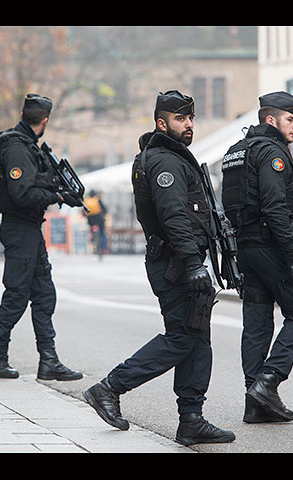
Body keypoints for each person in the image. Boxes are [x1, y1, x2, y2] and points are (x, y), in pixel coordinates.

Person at [82, 90, 235, 446]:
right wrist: (195, 264)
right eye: (182, 119)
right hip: (177, 263)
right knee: (182, 337)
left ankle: (192, 418)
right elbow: (173, 216)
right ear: (161, 122)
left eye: (191, 119)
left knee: (197, 337)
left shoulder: (172, 157)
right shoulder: (164, 162)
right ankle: (109, 388)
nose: (190, 126)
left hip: (181, 261)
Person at [221, 91, 293, 423]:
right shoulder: (272, 152)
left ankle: (254, 403)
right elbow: (276, 206)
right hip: (272, 245)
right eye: (290, 120)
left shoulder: (235, 151)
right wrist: (292, 253)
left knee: (257, 322)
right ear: (270, 120)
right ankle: (268, 381)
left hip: (246, 248)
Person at [0, 93, 82, 381]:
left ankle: (48, 361)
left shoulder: (26, 145)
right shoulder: (15, 146)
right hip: (18, 228)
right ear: (45, 120)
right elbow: (22, 193)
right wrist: (59, 195)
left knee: (44, 294)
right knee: (16, 294)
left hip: (29, 230)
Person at [84, 190, 109, 254]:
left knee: (91, 229)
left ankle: (92, 237)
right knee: (102, 233)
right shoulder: (97, 199)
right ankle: (104, 248)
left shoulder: (86, 201)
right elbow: (104, 209)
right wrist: (104, 214)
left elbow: (83, 211)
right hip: (99, 219)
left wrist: (86, 216)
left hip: (90, 220)